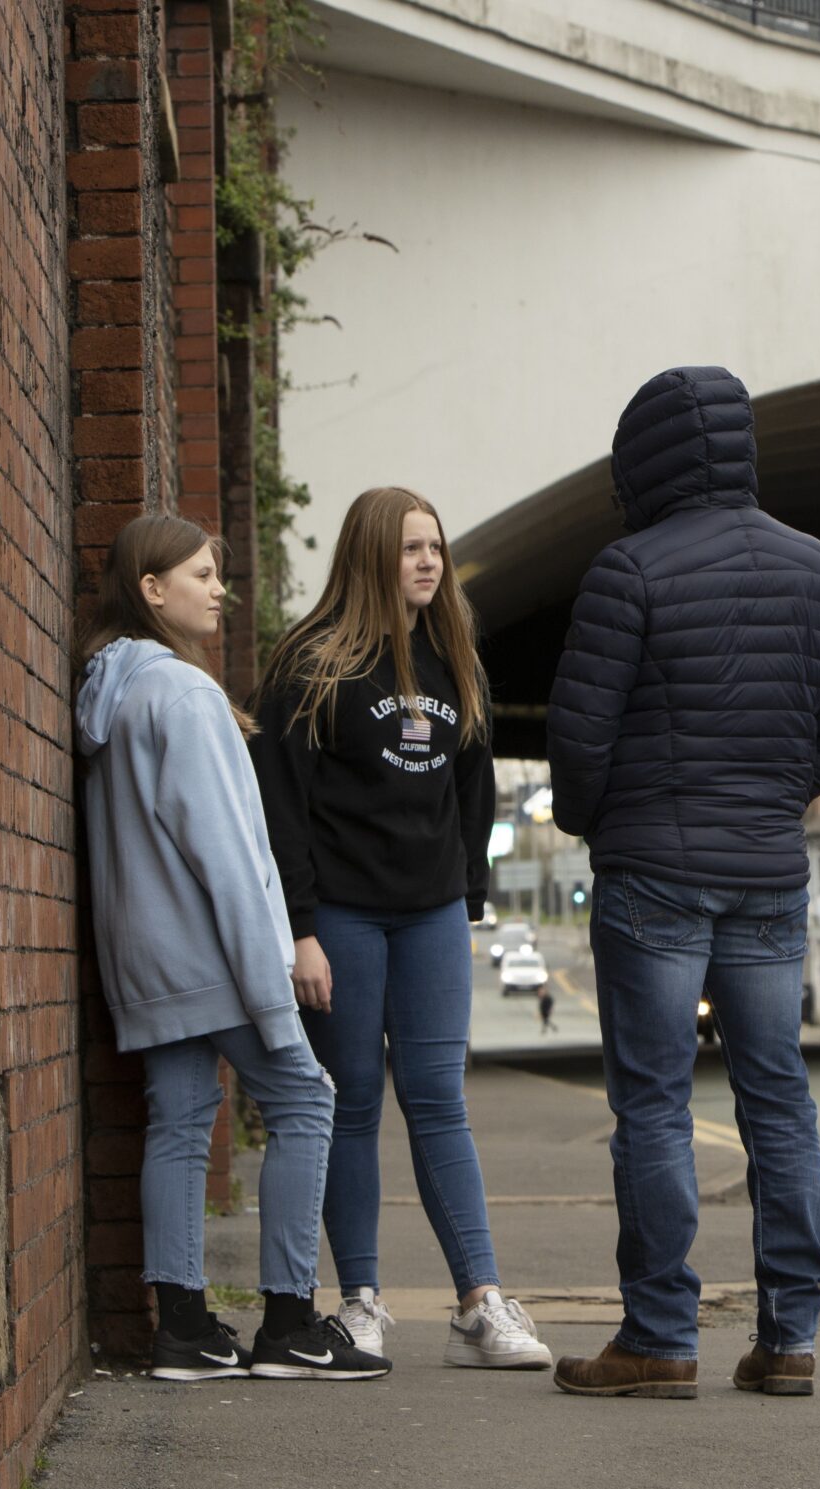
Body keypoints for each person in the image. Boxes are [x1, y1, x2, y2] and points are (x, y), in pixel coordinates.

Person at [545, 366, 820, 1400]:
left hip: (653, 874)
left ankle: (658, 1336)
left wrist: (599, 819)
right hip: (767, 876)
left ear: (641, 461)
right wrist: (772, 799)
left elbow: (578, 739)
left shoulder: (627, 569)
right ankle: (789, 1338)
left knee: (653, 1105)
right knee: (779, 1100)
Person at [76, 513, 390, 1383]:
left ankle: (184, 1331)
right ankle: (288, 1322)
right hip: (212, 953)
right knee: (306, 1100)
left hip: (145, 958)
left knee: (179, 1118)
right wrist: (271, 981)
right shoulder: (183, 695)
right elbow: (229, 857)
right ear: (152, 589)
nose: (221, 592)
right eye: (202, 576)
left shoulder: (110, 691)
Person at [251, 486, 553, 1371]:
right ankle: (361, 1302)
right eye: (411, 547)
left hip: (430, 916)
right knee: (350, 1103)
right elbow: (281, 807)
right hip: (341, 916)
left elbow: (472, 787)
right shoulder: (311, 663)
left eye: (435, 547)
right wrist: (300, 929)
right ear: (371, 556)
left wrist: (467, 893)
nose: (428, 562)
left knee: (438, 1101)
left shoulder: (453, 659)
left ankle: (481, 1304)